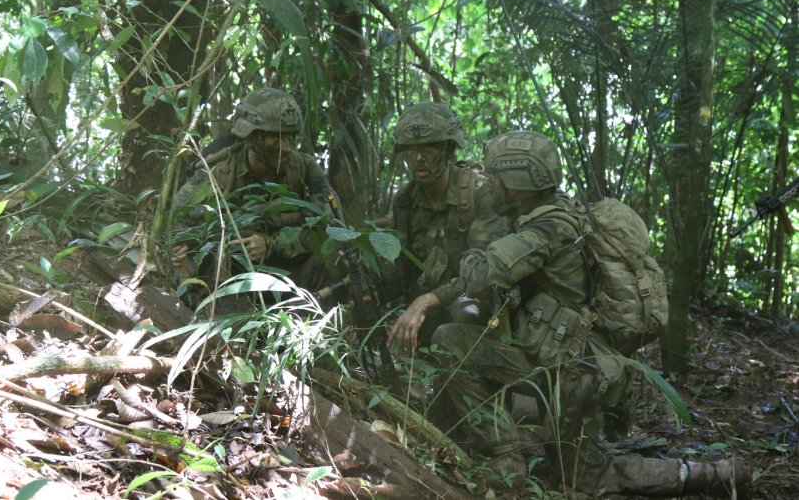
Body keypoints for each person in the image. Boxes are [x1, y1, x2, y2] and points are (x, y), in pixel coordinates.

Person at [389, 130, 752, 497]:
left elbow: (482, 274)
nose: (489, 185)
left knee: (588, 479)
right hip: (550, 359)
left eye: (495, 178)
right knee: (451, 339)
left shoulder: (548, 227)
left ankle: (712, 474)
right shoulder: (547, 214)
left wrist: (467, 254)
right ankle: (506, 455)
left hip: (573, 374)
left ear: (518, 184)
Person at [173, 88, 342, 294]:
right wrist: (178, 247)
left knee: (328, 261)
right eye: (276, 138)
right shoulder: (219, 171)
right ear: (251, 138)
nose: (286, 147)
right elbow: (176, 216)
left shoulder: (303, 168)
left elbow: (329, 226)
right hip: (227, 276)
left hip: (285, 272)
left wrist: (273, 245)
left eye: (290, 138)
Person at [379, 101, 505, 344]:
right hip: (426, 303)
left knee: (465, 313)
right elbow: (400, 269)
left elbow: (486, 274)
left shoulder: (479, 193)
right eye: (411, 149)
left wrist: (428, 300)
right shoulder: (405, 201)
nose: (419, 158)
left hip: (473, 300)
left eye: (429, 148)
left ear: (449, 150)